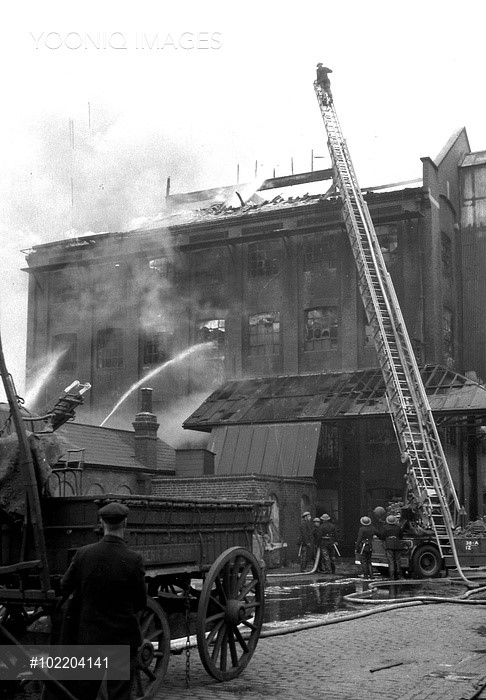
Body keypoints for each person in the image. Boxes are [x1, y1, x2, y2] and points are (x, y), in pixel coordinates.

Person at [60, 502, 147, 700]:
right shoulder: (134, 559)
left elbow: (65, 586)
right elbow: (140, 601)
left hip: (90, 637)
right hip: (121, 639)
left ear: (101, 522)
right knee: (119, 694)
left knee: (85, 693)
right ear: (125, 522)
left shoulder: (83, 554)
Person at [381, 514, 405, 580]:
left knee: (391, 561)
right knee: (397, 560)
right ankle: (399, 575)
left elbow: (382, 536)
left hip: (389, 545)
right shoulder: (398, 527)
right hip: (397, 544)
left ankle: (392, 576)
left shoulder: (385, 527)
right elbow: (401, 536)